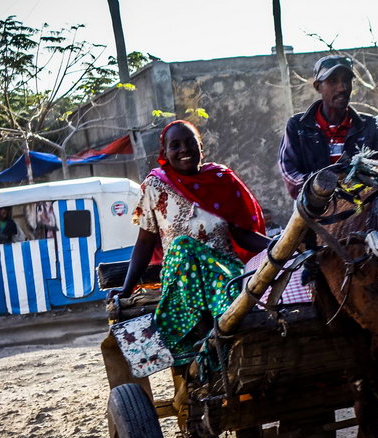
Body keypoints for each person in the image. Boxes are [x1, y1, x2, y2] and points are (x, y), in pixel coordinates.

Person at [103, 119, 270, 395]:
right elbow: (144, 243)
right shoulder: (155, 186)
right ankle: (208, 336)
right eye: (175, 145)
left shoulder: (222, 180)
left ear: (201, 147)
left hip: (223, 274)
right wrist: (127, 286)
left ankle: (225, 334)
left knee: (231, 282)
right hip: (180, 279)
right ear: (165, 152)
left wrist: (278, 246)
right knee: (182, 246)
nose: (184, 150)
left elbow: (242, 235)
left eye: (190, 142)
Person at [278, 55, 378, 198]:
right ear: (318, 87)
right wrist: (316, 185)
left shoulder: (369, 125)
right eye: (333, 81)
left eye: (347, 80)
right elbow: (288, 170)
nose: (342, 87)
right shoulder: (298, 126)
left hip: (362, 205)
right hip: (313, 207)